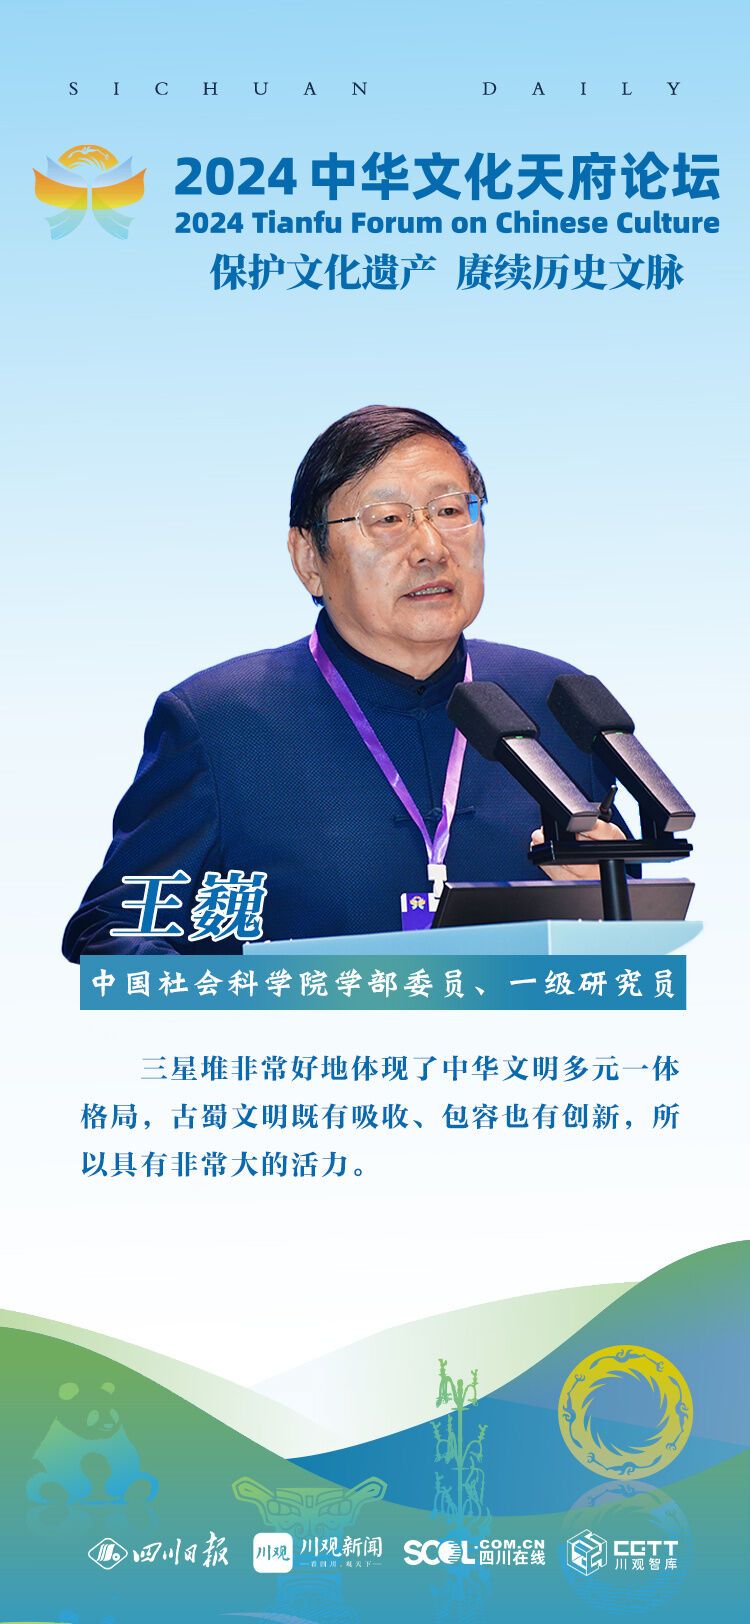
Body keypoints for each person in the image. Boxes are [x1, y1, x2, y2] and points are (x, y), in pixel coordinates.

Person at [62, 404, 622, 960]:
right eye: (388, 520)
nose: (431, 548)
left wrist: (613, 899)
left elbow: (621, 939)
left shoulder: (557, 702)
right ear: (309, 558)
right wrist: (261, 1001)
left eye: (451, 510)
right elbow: (113, 933)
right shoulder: (219, 722)